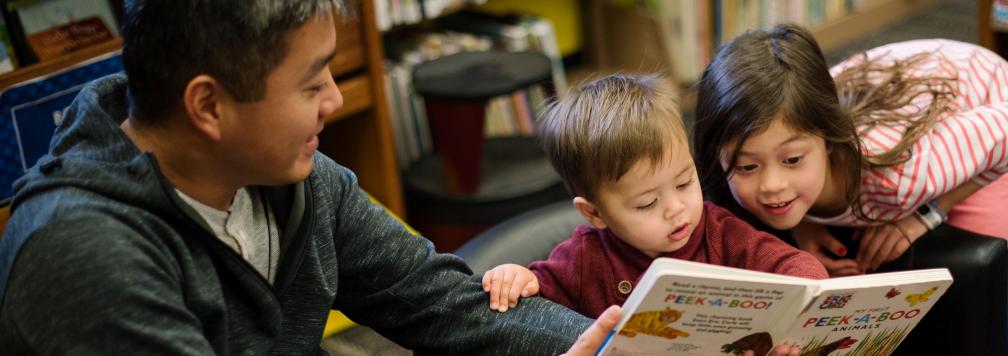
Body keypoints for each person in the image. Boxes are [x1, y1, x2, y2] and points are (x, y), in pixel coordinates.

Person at [0, 1, 619, 354]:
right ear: (208, 106)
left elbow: (443, 301)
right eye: (310, 81)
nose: (332, 99)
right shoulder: (83, 257)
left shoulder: (291, 176)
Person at [691, 24, 1008, 355]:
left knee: (972, 294)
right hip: (896, 84)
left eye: (792, 160)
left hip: (983, 100)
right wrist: (800, 222)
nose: (772, 186)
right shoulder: (749, 160)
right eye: (747, 166)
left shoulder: (900, 177)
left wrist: (924, 216)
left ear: (828, 139)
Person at [480, 74, 826, 328]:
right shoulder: (585, 260)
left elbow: (796, 266)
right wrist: (516, 277)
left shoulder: (718, 231)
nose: (677, 209)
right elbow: (536, 301)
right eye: (647, 204)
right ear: (595, 213)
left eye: (685, 182)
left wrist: (799, 299)